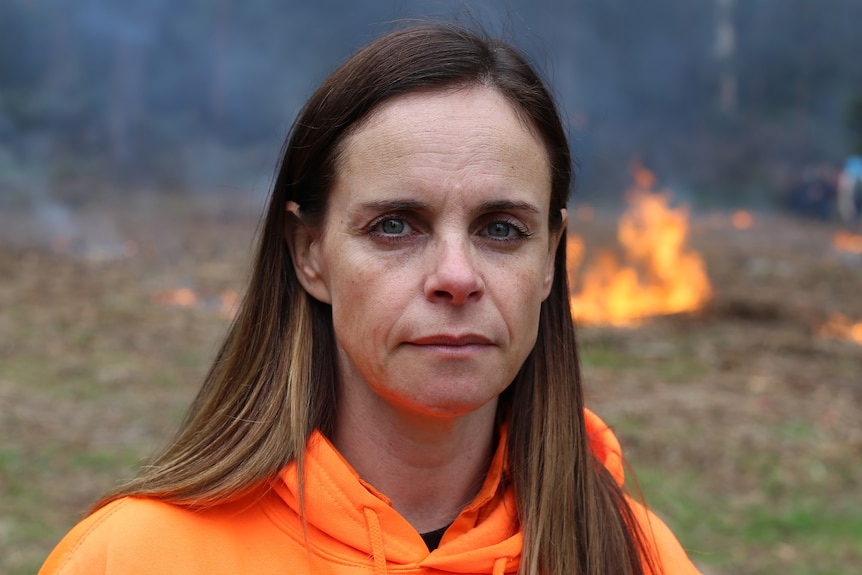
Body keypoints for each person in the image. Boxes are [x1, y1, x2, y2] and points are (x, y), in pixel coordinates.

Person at [39, 22, 702, 575]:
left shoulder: (639, 558)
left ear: (551, 256)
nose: (456, 275)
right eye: (395, 225)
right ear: (310, 253)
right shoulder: (134, 556)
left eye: (501, 228)